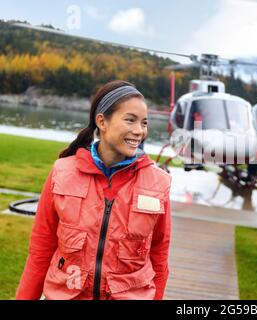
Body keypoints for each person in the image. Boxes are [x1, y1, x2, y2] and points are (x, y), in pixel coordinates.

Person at [16, 80, 172, 300]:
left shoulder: (158, 183)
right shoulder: (62, 173)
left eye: (144, 123)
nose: (139, 131)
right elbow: (40, 250)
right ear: (102, 121)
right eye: (130, 120)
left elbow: (159, 257)